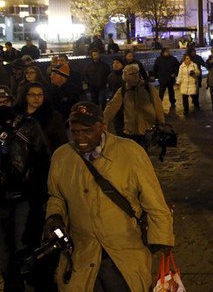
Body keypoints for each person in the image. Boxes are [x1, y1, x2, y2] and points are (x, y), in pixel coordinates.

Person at [45, 101, 175, 290]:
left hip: (123, 251)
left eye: (87, 130)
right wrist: (54, 217)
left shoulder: (130, 152)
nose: (80, 137)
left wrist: (162, 237)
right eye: (75, 131)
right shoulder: (62, 157)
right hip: (82, 252)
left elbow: (153, 198)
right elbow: (56, 196)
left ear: (102, 127)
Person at [0, 103, 50, 290]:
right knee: (4, 252)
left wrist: (37, 189)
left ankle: (27, 284)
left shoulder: (28, 125)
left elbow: (43, 157)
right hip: (4, 199)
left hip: (23, 196)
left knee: (23, 246)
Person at [103, 64, 165, 146]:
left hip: (147, 126)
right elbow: (112, 106)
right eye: (131, 74)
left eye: (135, 73)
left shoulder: (148, 87)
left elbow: (157, 105)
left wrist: (161, 122)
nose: (134, 76)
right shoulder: (123, 90)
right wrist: (104, 121)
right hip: (131, 128)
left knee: (144, 150)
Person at [15, 81, 68, 153]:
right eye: (32, 95)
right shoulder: (16, 114)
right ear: (25, 96)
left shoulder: (53, 116)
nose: (36, 98)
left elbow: (61, 141)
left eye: (40, 95)